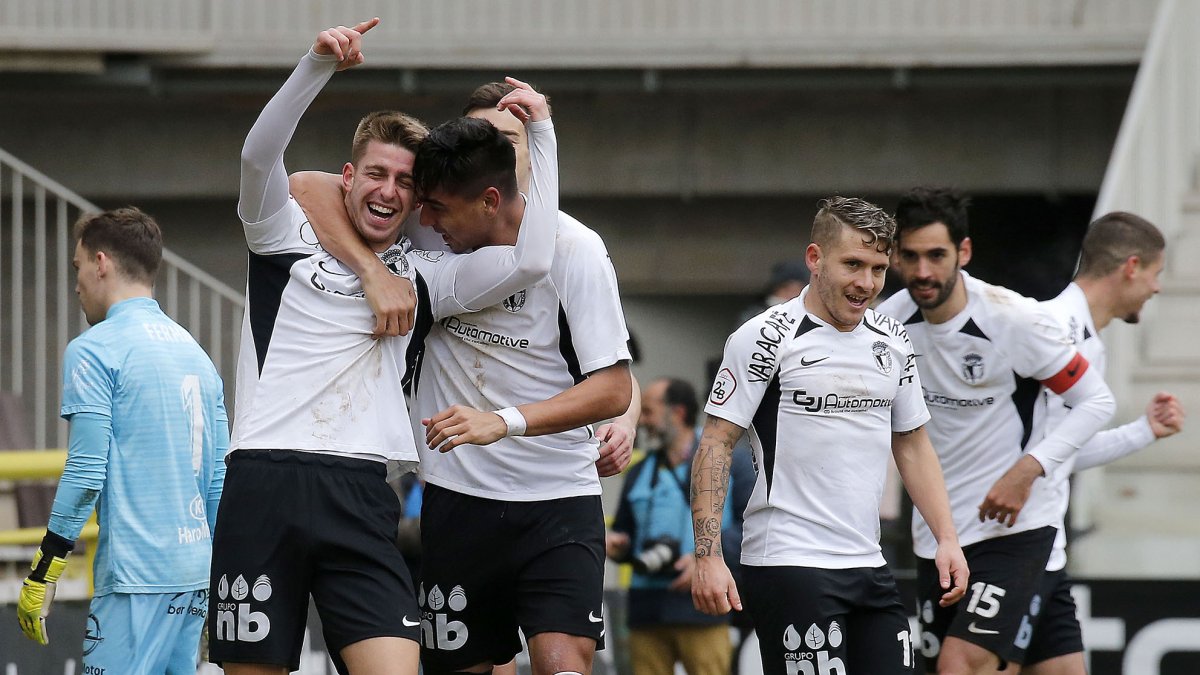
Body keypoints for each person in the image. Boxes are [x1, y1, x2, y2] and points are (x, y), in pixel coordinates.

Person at [207, 20, 560, 674]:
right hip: (264, 481)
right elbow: (262, 159)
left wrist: (541, 131)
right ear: (351, 174)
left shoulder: (428, 277)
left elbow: (533, 259)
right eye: (376, 173)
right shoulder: (281, 234)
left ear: (419, 197)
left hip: (363, 490)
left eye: (404, 182)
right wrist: (315, 64)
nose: (387, 190)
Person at [289, 80, 634, 673]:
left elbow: (613, 383)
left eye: (507, 137)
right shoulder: (434, 221)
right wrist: (372, 271)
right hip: (457, 496)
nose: (425, 215)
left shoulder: (573, 248)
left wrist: (517, 422)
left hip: (555, 495)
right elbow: (307, 186)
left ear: (506, 174)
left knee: (562, 660)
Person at [691, 196, 969, 675]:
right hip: (788, 560)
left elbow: (913, 442)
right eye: (853, 264)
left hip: (867, 560)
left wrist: (948, 537)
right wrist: (708, 556)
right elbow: (716, 443)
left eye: (879, 269)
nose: (866, 283)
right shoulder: (764, 336)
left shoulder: (892, 337)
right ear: (815, 259)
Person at [876, 187, 1116, 675]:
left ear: (963, 253)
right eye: (912, 257)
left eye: (937, 255)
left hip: (1013, 529)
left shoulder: (1012, 319)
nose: (924, 272)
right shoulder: (886, 326)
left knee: (958, 664)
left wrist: (1026, 471)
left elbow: (1095, 400)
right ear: (896, 256)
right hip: (938, 536)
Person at [16, 207, 228, 674]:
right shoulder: (197, 354)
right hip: (193, 576)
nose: (76, 286)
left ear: (101, 263)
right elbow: (218, 483)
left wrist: (44, 569)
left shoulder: (94, 350)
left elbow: (86, 470)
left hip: (135, 580)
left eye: (77, 268)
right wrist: (218, 585)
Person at [1019, 212, 1184, 675]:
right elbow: (1016, 450)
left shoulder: (1090, 342)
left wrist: (1143, 431)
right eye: (1155, 274)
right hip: (1010, 550)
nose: (1156, 288)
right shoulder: (1047, 328)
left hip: (1046, 555)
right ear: (1131, 267)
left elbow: (1056, 454)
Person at [606, 378, 753, 675]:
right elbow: (625, 534)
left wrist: (706, 558)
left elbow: (752, 526)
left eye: (648, 412)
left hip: (704, 606)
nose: (642, 421)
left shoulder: (730, 463)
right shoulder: (638, 472)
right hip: (645, 611)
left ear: (679, 412)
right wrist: (617, 547)